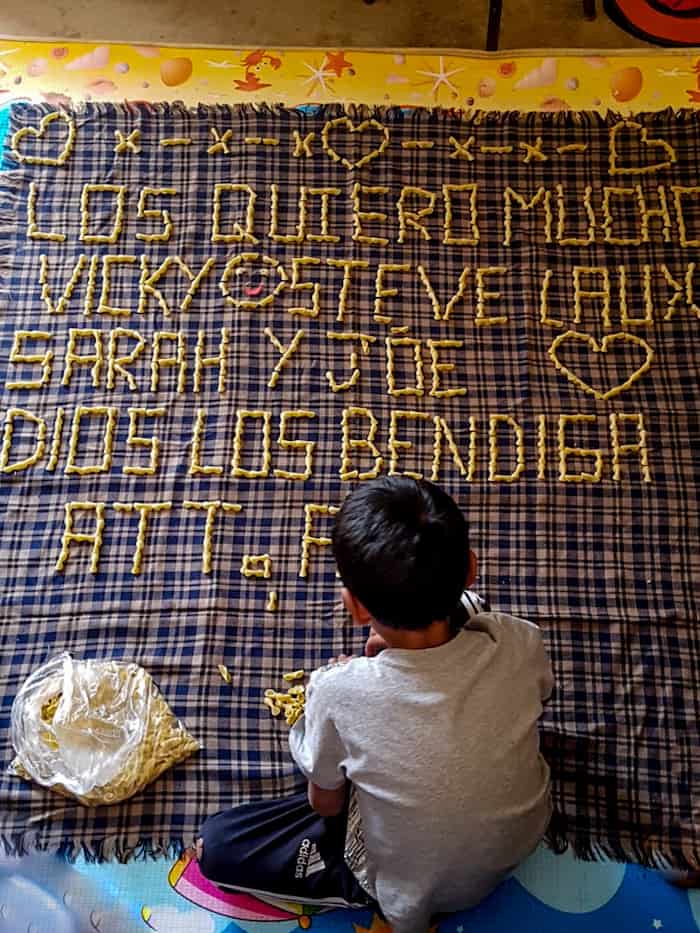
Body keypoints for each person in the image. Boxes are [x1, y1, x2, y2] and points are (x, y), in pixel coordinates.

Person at [197, 477, 553, 933]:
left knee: (217, 846)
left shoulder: (337, 692)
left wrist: (355, 692)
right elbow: (540, 695)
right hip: (521, 836)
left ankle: (358, 892)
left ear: (356, 607)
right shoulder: (519, 639)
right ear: (470, 569)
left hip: (410, 887)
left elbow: (326, 803)